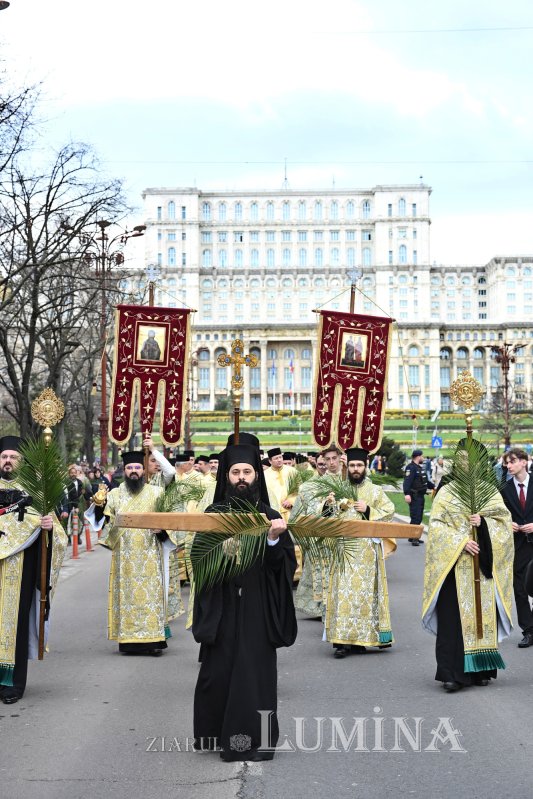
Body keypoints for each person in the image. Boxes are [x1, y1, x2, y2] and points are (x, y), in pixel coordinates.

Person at [193, 442, 297, 761]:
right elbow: (198, 559)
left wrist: (273, 540)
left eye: (247, 472)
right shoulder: (213, 515)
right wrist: (221, 553)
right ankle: (214, 735)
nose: (241, 477)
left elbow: (285, 566)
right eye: (235, 472)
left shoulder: (271, 516)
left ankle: (252, 741)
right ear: (226, 476)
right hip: (222, 604)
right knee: (218, 672)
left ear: (256, 476)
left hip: (257, 605)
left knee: (254, 674)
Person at [422, 439, 513, 692]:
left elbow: (504, 526)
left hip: (482, 569)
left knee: (482, 618)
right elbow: (436, 527)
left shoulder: (489, 492)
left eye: (471, 460)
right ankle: (451, 674)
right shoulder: (446, 492)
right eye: (462, 459)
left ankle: (480, 669)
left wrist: (483, 524)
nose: (466, 464)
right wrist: (461, 542)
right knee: (453, 622)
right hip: (453, 567)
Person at [85, 450, 174, 656]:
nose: (134, 471)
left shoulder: (157, 493)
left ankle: (154, 641)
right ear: (124, 471)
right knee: (126, 597)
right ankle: (129, 642)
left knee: (151, 596)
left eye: (137, 468)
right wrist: (98, 504)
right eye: (129, 468)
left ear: (144, 470)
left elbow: (168, 520)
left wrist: (162, 531)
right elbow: (103, 520)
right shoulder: (115, 494)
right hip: (124, 556)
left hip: (150, 553)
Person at [0, 435, 67, 704]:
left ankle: (12, 685)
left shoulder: (35, 492)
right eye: (4, 457)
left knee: (15, 625)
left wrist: (48, 529)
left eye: (13, 457)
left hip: (21, 570)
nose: (8, 461)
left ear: (22, 461)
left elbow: (58, 537)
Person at [319, 449, 395, 657]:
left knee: (364, 597)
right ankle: (341, 642)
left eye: (359, 465)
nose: (355, 469)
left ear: (365, 466)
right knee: (342, 594)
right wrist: (327, 505)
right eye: (352, 465)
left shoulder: (375, 491)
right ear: (347, 466)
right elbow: (326, 516)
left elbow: (389, 512)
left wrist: (369, 510)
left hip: (367, 553)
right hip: (343, 550)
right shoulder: (338, 489)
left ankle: (361, 639)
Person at [500, 448, 533, 648]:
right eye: (507, 462)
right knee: (519, 589)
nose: (508, 466)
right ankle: (528, 630)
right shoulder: (503, 488)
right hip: (517, 545)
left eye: (512, 461)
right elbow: (497, 514)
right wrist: (506, 523)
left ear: (523, 462)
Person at [264, 447, 299, 522]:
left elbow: (300, 489)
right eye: (276, 458)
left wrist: (291, 500)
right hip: (274, 514)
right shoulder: (265, 475)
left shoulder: (292, 471)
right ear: (270, 461)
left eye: (280, 457)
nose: (279, 460)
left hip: (291, 510)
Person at [403, 449, 427, 546]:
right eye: (422, 456)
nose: (423, 458)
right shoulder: (411, 467)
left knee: (419, 517)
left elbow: (424, 481)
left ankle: (413, 536)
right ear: (418, 456)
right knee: (415, 517)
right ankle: (414, 538)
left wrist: (433, 486)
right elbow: (407, 481)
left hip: (420, 496)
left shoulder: (418, 468)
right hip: (414, 496)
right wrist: (407, 494)